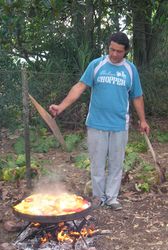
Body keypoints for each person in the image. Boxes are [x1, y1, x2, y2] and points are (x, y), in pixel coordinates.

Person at [49, 32, 150, 211]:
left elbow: (137, 96)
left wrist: (143, 120)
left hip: (119, 125)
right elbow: (80, 87)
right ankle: (98, 197)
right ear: (108, 47)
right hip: (96, 123)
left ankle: (112, 198)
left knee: (116, 163)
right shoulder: (96, 65)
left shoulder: (130, 69)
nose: (114, 54)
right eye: (111, 49)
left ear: (126, 51)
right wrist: (61, 106)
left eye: (119, 51)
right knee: (97, 162)